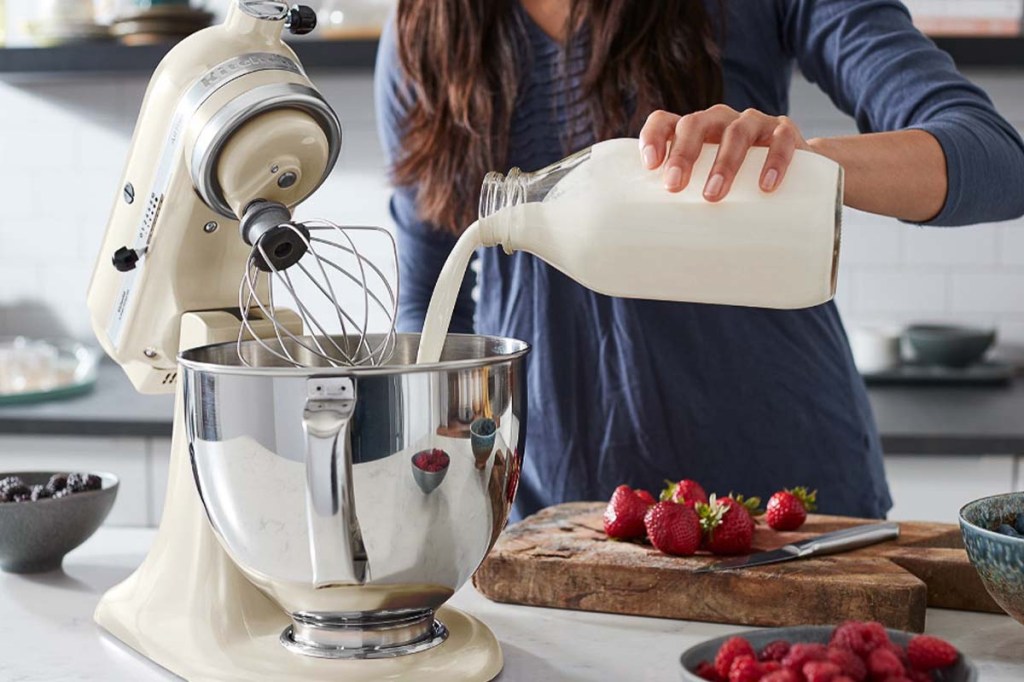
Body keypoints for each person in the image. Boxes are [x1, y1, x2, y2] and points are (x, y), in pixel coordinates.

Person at [374, 0, 1024, 520]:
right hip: (556, 511)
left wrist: (800, 167)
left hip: (788, 505)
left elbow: (995, 160)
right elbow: (430, 296)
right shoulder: (427, 26)